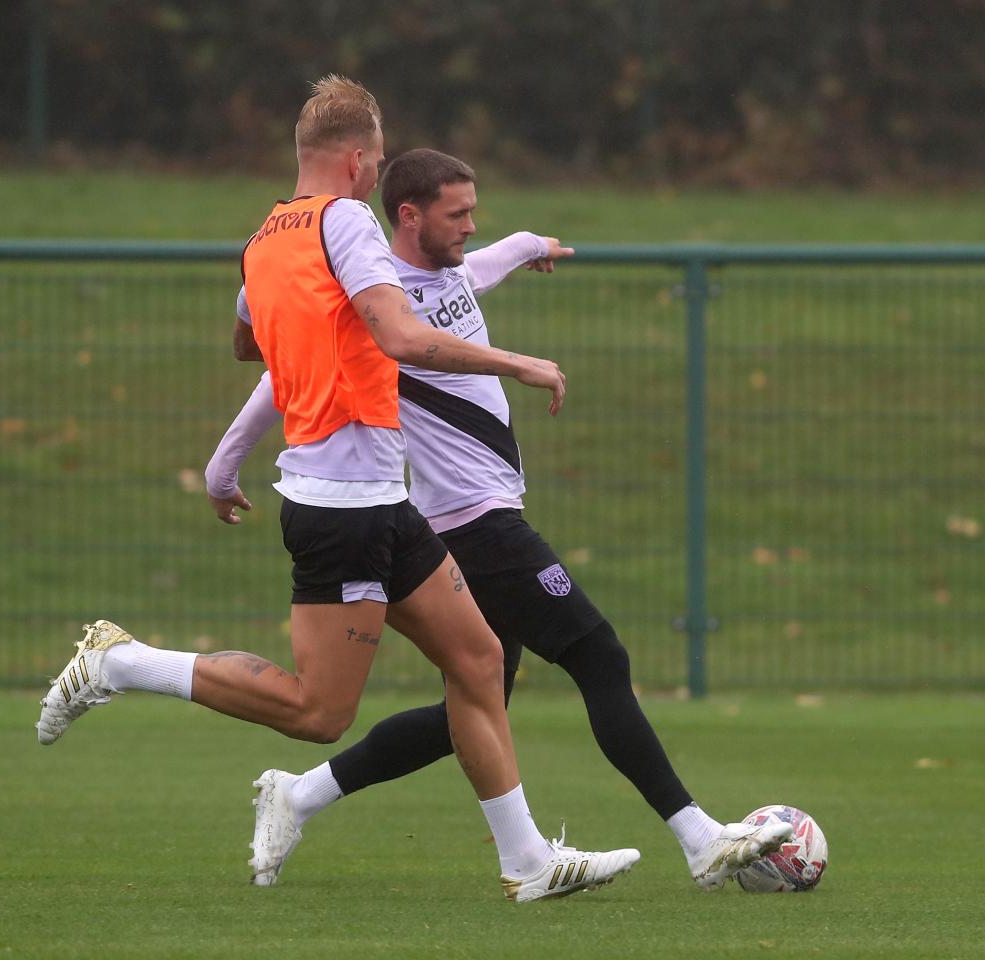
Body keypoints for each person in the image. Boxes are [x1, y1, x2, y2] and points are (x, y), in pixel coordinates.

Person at [35, 76, 640, 904]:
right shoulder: (346, 220)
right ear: (357, 161)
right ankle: (123, 664)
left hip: (381, 498)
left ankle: (528, 861)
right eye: (379, 160)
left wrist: (276, 396)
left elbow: (250, 343)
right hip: (338, 504)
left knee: (479, 659)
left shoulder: (265, 238)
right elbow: (401, 335)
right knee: (318, 714)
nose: (375, 172)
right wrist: (517, 361)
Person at [207, 147, 792, 891]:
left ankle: (301, 793)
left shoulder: (450, 274)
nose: (471, 227)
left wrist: (532, 247)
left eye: (474, 212)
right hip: (471, 525)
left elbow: (486, 264)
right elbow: (273, 386)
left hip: (478, 517)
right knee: (599, 655)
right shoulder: (383, 304)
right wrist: (222, 470)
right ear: (410, 216)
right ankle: (700, 838)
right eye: (458, 214)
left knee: (476, 700)